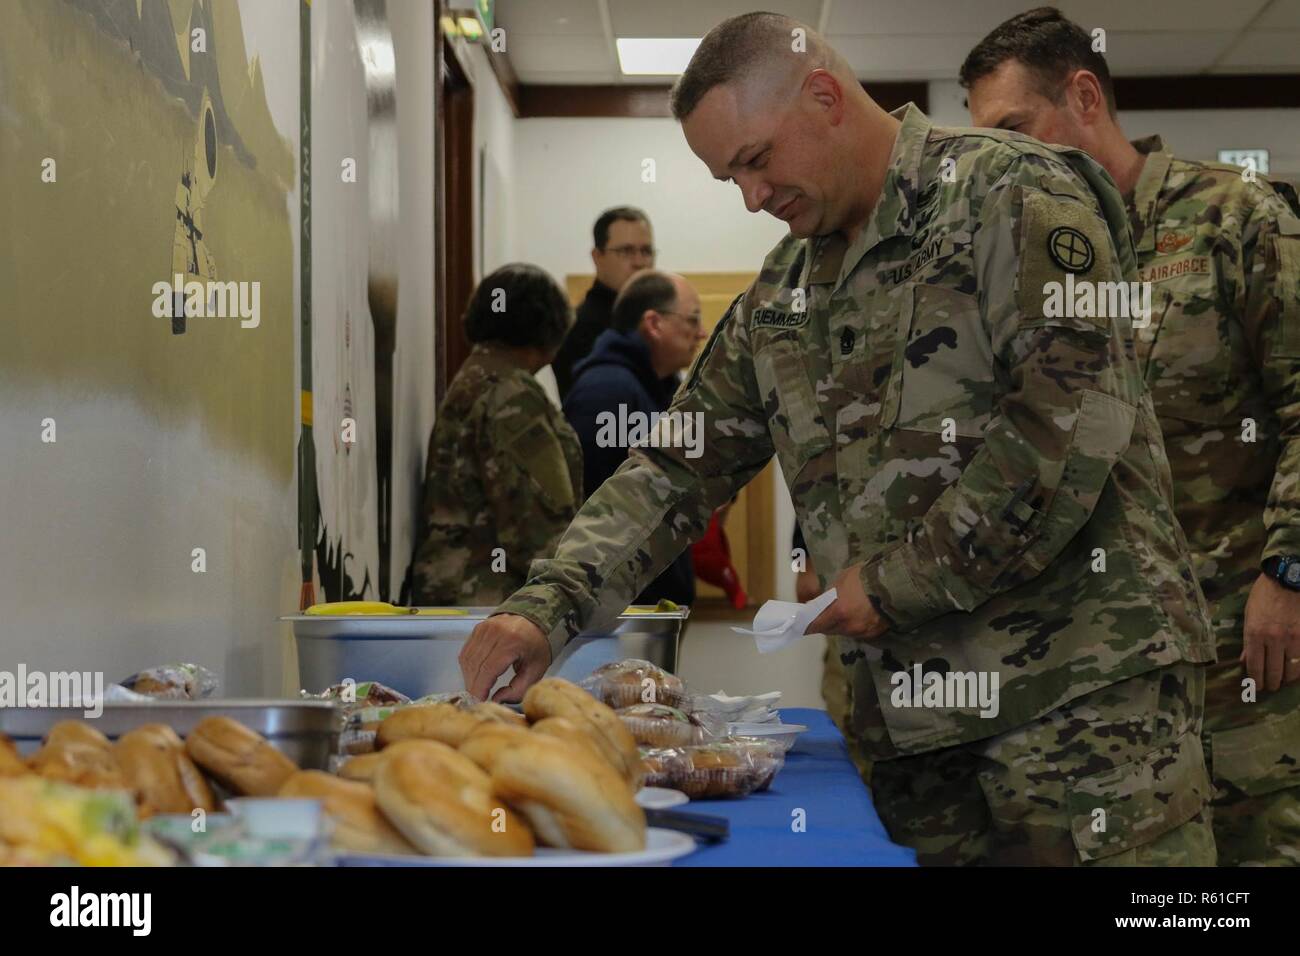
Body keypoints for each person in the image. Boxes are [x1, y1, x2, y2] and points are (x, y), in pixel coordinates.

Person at [459, 12, 1218, 865]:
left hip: (1078, 714)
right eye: (727, 180)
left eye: (754, 160)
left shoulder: (1012, 193)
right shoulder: (784, 292)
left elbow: (1071, 426)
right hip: (912, 732)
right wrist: (545, 607)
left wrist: (892, 584)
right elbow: (675, 468)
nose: (750, 196)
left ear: (823, 95)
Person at [962, 6, 1300, 868]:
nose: (1002, 162)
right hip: (1103, 672)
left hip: (1244, 643)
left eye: (1015, 131)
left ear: (1083, 97)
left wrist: (1288, 572)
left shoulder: (1234, 217)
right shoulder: (1030, 263)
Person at [410, 263, 582, 607]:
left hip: (458, 597)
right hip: (495, 603)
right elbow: (540, 527)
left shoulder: (476, 378)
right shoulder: (512, 395)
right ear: (548, 329)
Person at [562, 270, 707, 606]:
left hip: (647, 600)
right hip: (618, 609)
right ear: (654, 324)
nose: (701, 332)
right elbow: (593, 509)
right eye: (692, 320)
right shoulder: (607, 392)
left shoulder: (662, 389)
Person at [551, 207, 656, 398]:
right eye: (626, 251)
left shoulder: (654, 317)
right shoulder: (578, 329)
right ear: (597, 257)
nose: (640, 262)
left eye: (646, 251)